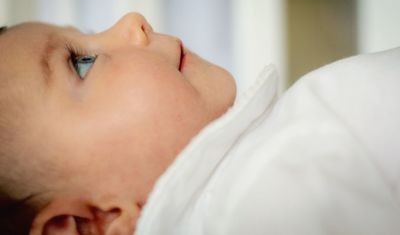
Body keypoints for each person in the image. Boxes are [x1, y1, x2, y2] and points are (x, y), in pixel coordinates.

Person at [0, 13, 399, 235]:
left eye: (88, 32)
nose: (132, 22)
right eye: (81, 62)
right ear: (83, 225)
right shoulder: (305, 151)